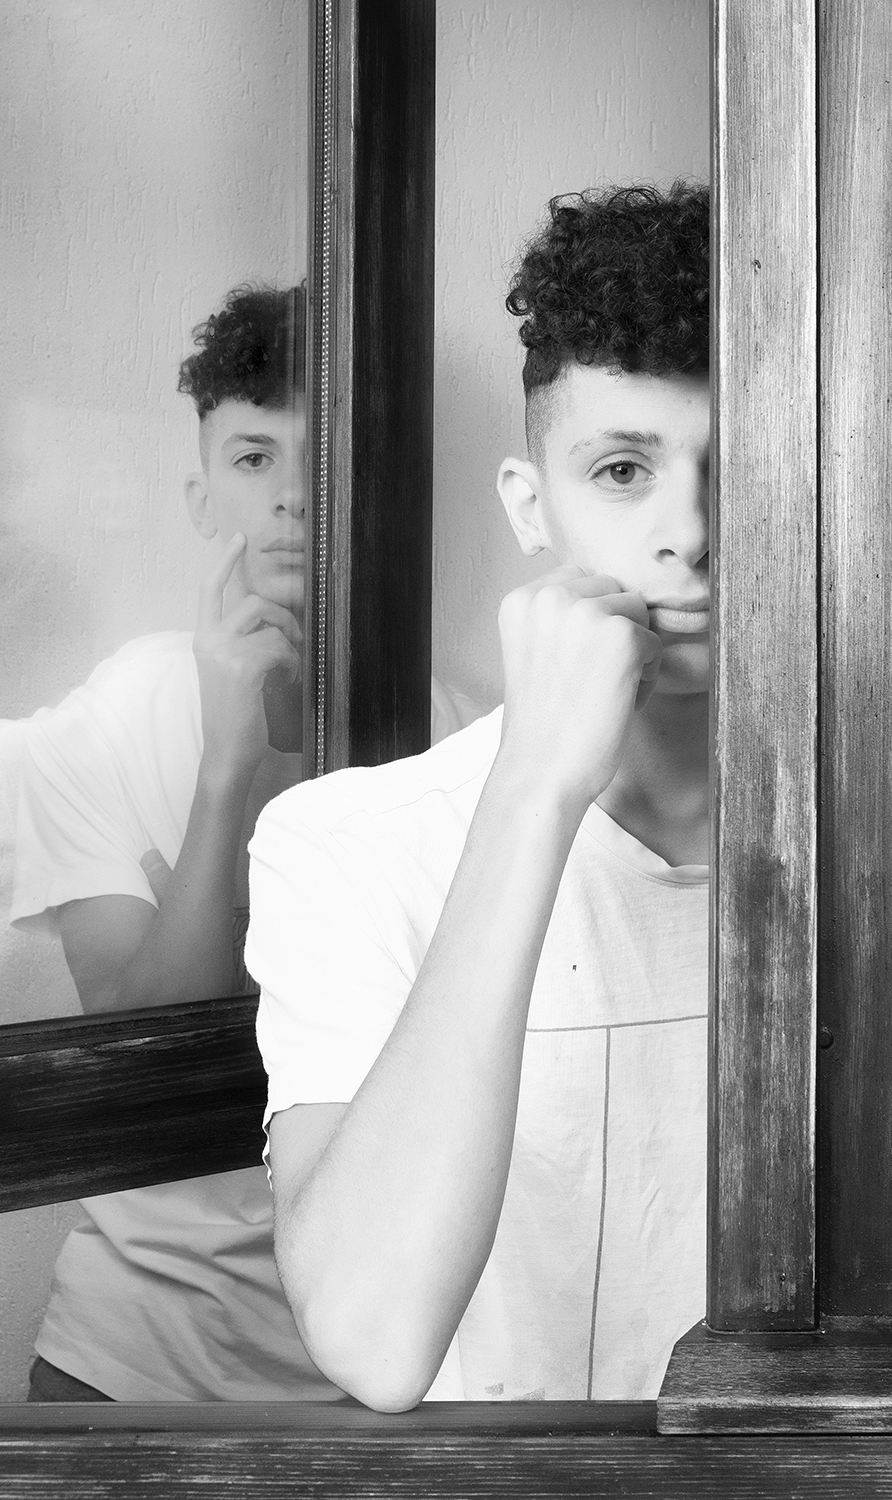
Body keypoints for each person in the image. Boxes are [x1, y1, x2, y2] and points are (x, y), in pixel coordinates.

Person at [247, 182, 712, 1409]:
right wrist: (534, 788)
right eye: (624, 469)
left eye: (745, 468)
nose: (690, 533)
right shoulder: (340, 846)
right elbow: (371, 1340)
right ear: (528, 505)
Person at [12, 284, 480, 1402]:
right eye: (254, 458)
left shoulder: (463, 736)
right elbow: (135, 1047)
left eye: (322, 460)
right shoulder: (109, 719)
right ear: (202, 495)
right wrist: (227, 770)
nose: (290, 498)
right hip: (129, 1352)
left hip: (374, 1365)